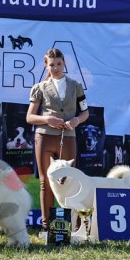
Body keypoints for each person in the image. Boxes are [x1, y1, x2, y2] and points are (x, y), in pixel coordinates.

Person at [26, 48, 90, 236]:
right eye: (51, 64)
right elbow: (30, 117)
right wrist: (47, 119)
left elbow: (85, 113)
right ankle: (46, 227)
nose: (55, 68)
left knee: (70, 181)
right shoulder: (39, 87)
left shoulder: (76, 86)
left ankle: (74, 227)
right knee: (46, 182)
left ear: (64, 64)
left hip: (68, 137)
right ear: (46, 66)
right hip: (44, 138)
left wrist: (76, 120)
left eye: (59, 64)